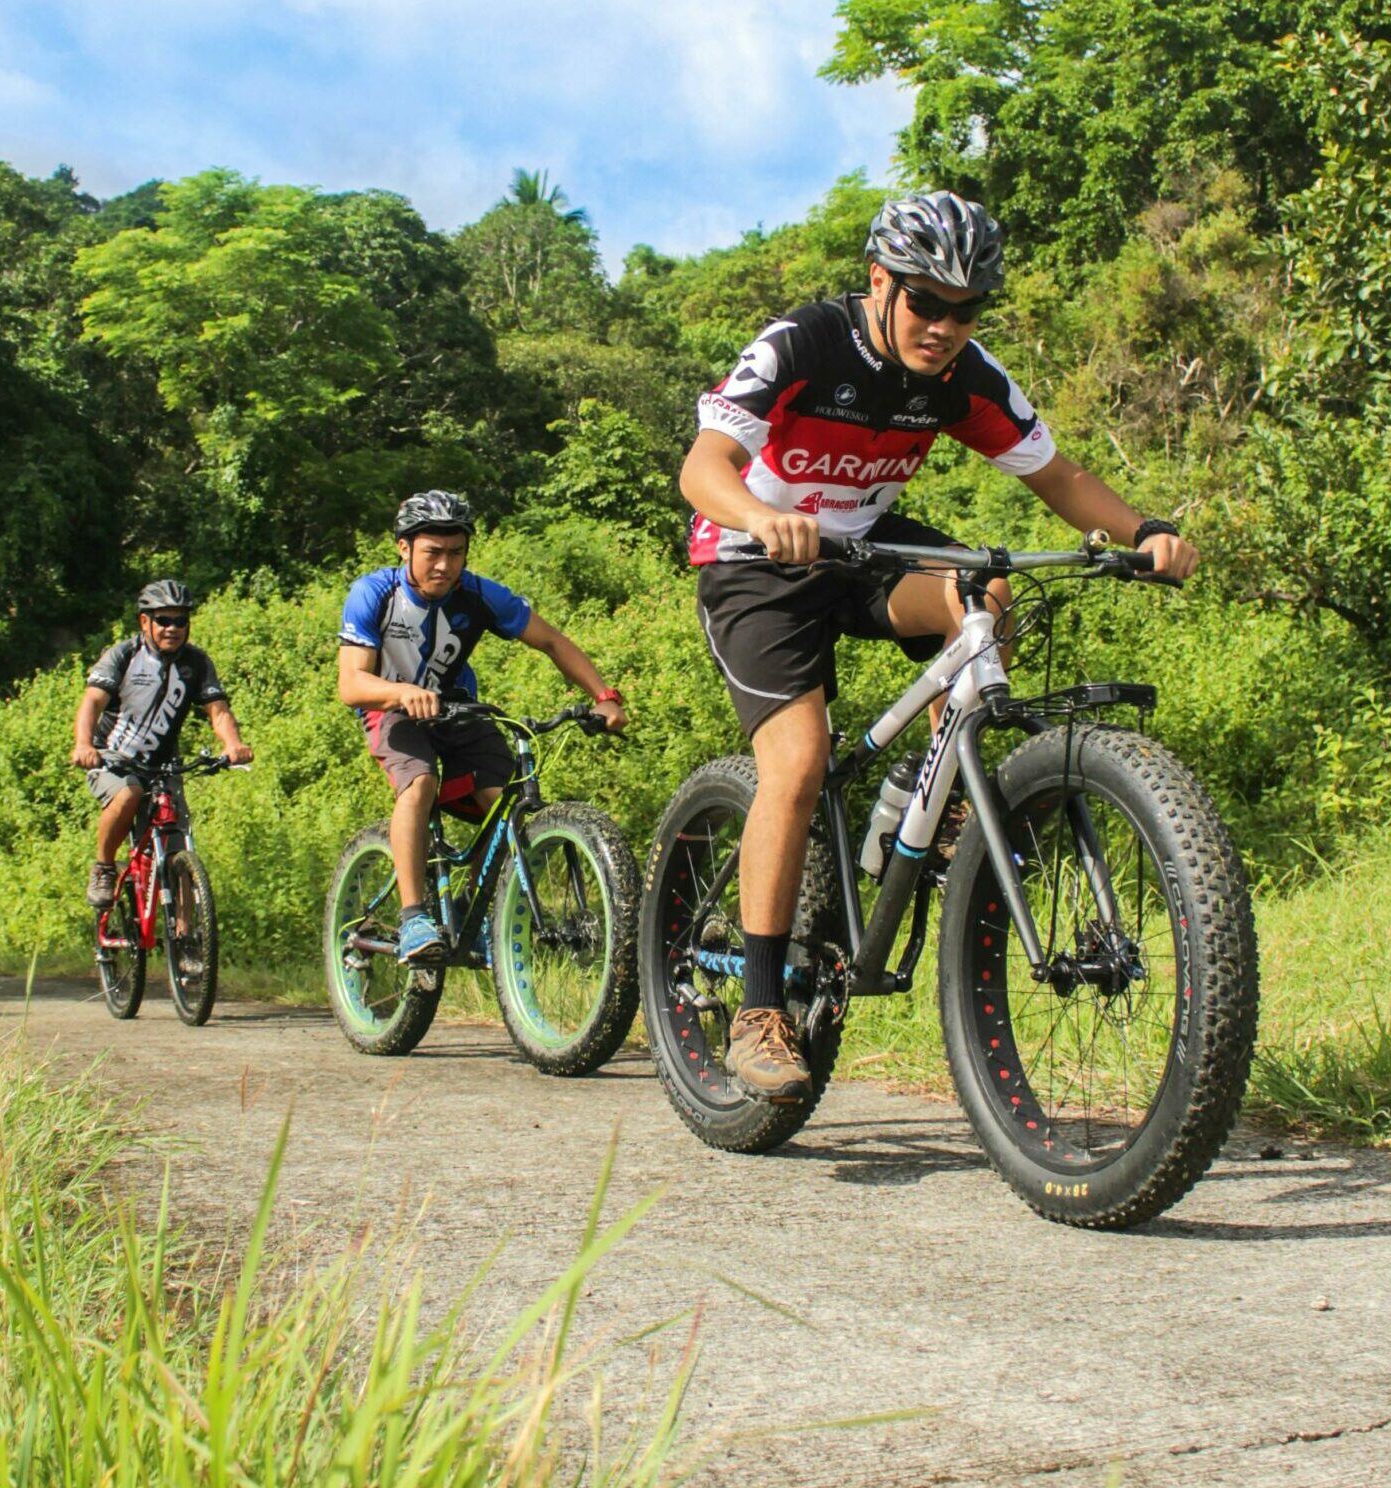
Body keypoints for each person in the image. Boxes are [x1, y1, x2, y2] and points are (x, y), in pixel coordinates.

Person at [680, 190, 1199, 1104]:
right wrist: (764, 514)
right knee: (795, 765)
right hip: (756, 557)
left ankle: (925, 792)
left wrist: (1143, 531)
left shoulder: (964, 375)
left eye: (967, 311)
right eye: (926, 302)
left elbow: (1059, 474)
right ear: (880, 282)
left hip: (866, 548)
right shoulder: (802, 342)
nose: (944, 326)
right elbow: (703, 465)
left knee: (983, 593)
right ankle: (760, 1009)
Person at [336, 490, 628, 965]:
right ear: (404, 548)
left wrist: (603, 696)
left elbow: (552, 641)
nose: (444, 565)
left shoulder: (477, 595)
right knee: (420, 782)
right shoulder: (374, 593)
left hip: (457, 709)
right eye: (432, 552)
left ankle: (478, 912)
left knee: (504, 803)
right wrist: (401, 693)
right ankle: (413, 918)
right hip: (388, 706)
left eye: (456, 553)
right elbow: (351, 683)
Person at [72, 580, 254, 910]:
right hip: (113, 759)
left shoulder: (197, 663)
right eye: (164, 620)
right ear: (145, 622)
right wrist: (84, 745)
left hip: (163, 765)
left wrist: (233, 744)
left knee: (179, 845)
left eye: (180, 621)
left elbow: (218, 711)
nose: (173, 628)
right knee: (129, 794)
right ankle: (103, 867)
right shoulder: (124, 656)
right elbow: (93, 702)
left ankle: (188, 944)